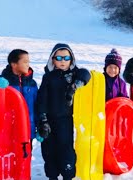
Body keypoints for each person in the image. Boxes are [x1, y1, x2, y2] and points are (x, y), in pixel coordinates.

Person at [37, 43, 91, 180]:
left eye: (66, 58)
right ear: (53, 60)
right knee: (49, 149)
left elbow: (86, 73)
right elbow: (41, 99)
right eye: (59, 58)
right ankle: (52, 175)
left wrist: (75, 86)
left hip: (65, 120)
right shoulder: (48, 77)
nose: (63, 61)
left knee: (66, 148)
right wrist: (43, 120)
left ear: (71, 59)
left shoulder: (74, 74)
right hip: (49, 119)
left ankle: (68, 174)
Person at [0, 49, 38, 144]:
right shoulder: (2, 81)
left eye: (28, 62)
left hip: (26, 129)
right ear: (14, 64)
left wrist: (39, 126)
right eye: (25, 62)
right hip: (7, 130)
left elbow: (36, 105)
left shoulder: (32, 83)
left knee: (25, 157)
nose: (28, 64)